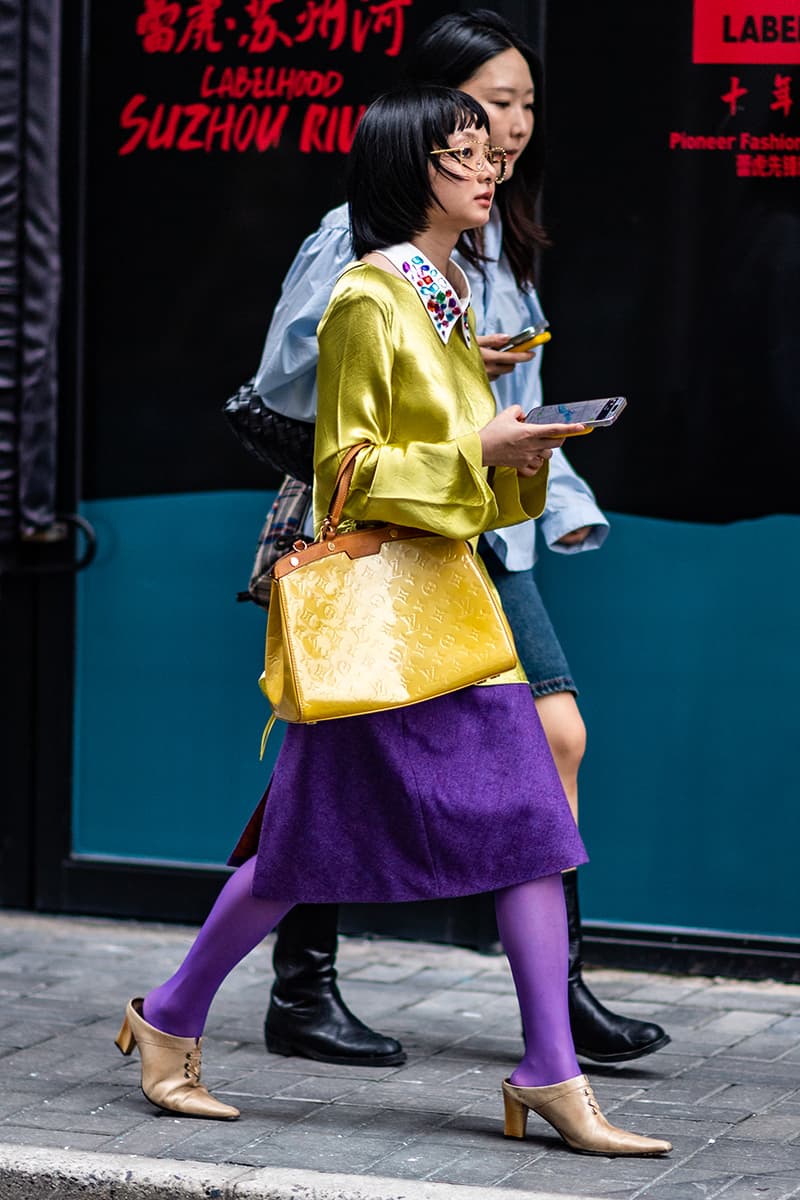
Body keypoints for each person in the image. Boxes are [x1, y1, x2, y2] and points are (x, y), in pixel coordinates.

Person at [116, 85, 671, 1156]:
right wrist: (478, 450)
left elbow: (456, 464)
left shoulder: (450, 287)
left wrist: (511, 442)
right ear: (402, 170)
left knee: (527, 828)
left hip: (450, 599)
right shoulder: (371, 295)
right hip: (385, 610)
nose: (487, 167)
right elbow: (348, 467)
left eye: (489, 151)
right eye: (460, 152)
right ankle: (169, 1016)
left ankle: (549, 1073)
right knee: (296, 850)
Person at [253, 9, 669, 1068]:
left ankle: (542, 1009)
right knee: (356, 757)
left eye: (524, 106)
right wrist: (427, 355)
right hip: (390, 522)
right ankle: (297, 991)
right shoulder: (360, 244)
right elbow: (292, 383)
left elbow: (513, 413)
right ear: (431, 118)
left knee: (388, 755)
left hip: (482, 526)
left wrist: (559, 492)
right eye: (489, 106)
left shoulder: (494, 241)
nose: (511, 128)